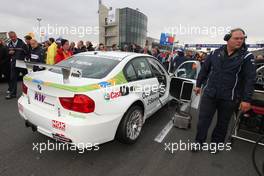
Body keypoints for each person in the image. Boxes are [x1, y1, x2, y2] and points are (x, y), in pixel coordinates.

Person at [193, 28, 256, 152]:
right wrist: (198, 85)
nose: (240, 41)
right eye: (236, 38)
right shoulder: (215, 53)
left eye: (242, 38)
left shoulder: (247, 57)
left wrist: (246, 99)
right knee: (203, 121)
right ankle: (198, 142)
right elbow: (204, 70)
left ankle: (216, 145)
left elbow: (250, 79)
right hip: (210, 93)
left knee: (222, 124)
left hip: (229, 97)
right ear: (228, 39)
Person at [6, 31, 29, 99]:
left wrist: (25, 59)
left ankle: (27, 93)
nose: (13, 38)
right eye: (11, 37)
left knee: (25, 79)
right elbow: (8, 54)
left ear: (16, 35)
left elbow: (27, 53)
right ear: (9, 37)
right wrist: (9, 53)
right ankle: (13, 94)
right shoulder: (9, 44)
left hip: (22, 64)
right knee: (12, 78)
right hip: (14, 64)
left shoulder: (22, 44)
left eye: (14, 36)